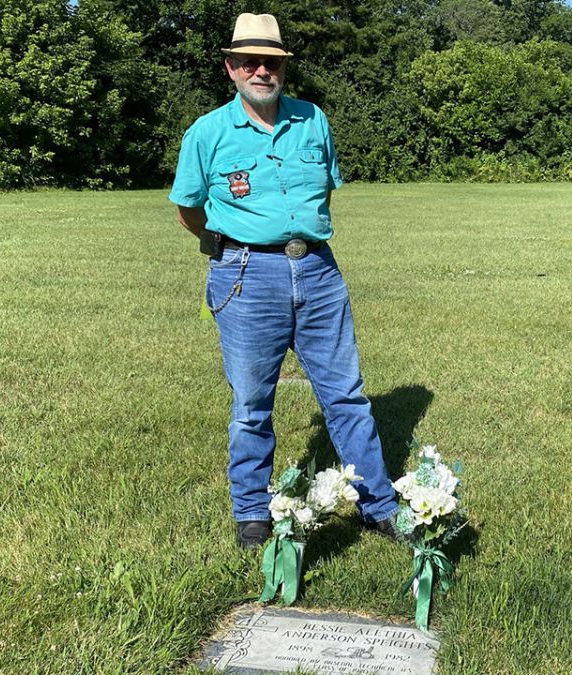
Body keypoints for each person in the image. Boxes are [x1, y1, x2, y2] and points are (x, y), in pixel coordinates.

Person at [169, 13, 401, 549]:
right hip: (247, 274)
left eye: (270, 61)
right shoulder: (207, 133)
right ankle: (252, 510)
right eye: (248, 61)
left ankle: (379, 505)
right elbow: (188, 208)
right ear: (230, 68)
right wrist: (222, 246)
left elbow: (326, 188)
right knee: (253, 400)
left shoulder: (312, 119)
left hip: (319, 270)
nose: (260, 70)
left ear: (282, 68)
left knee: (345, 395)